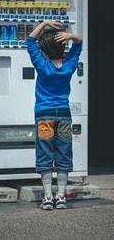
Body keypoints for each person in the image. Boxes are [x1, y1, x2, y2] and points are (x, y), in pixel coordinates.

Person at [27, 20, 82, 210]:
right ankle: (61, 197)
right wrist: (70, 37)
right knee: (63, 155)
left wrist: (44, 23)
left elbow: (30, 41)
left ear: (44, 51)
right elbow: (79, 44)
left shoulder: (42, 66)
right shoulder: (68, 67)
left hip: (44, 117)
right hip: (64, 117)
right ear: (62, 47)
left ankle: (48, 197)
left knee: (45, 155)